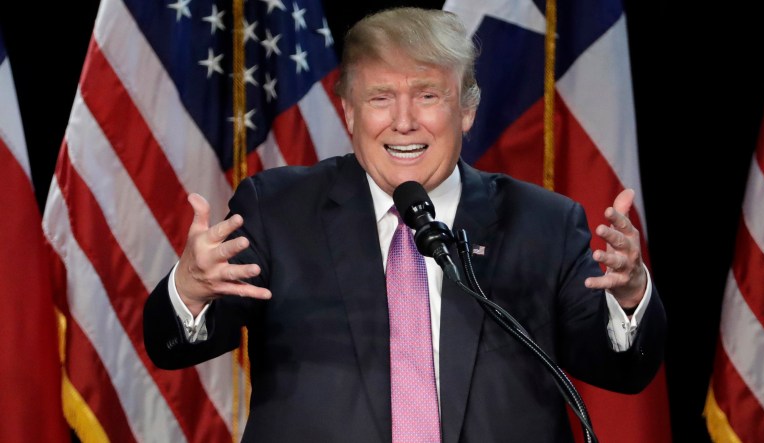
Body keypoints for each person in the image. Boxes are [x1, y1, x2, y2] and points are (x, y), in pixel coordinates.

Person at [143, 7, 666, 443]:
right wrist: (189, 291)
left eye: (427, 95)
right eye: (379, 98)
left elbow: (620, 370)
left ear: (466, 110)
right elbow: (178, 348)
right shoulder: (278, 209)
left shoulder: (544, 222)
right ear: (348, 112)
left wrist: (630, 298)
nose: (403, 120)